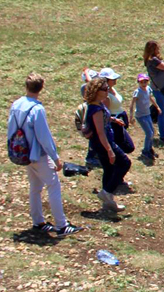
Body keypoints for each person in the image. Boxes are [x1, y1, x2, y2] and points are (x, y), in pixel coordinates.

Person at [8, 74, 80, 236]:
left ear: (26, 86)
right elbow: (44, 137)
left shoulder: (17, 104)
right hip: (37, 154)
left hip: (23, 152)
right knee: (53, 185)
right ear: (41, 88)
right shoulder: (37, 109)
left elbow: (10, 128)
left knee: (35, 187)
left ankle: (38, 221)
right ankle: (61, 225)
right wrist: (55, 157)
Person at [82, 77, 130, 214]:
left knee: (109, 169)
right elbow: (100, 131)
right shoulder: (95, 109)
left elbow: (104, 118)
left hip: (103, 142)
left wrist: (114, 120)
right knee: (125, 163)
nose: (107, 90)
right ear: (97, 91)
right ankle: (107, 192)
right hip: (103, 143)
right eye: (105, 89)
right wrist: (110, 150)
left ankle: (108, 202)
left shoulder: (98, 104)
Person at [132, 74, 155, 163]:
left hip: (147, 114)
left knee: (152, 131)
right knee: (149, 133)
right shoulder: (137, 92)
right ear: (138, 82)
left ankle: (149, 148)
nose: (144, 83)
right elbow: (132, 104)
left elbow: (150, 98)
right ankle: (145, 151)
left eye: (145, 81)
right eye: (142, 82)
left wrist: (157, 107)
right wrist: (131, 116)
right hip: (140, 115)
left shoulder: (148, 89)